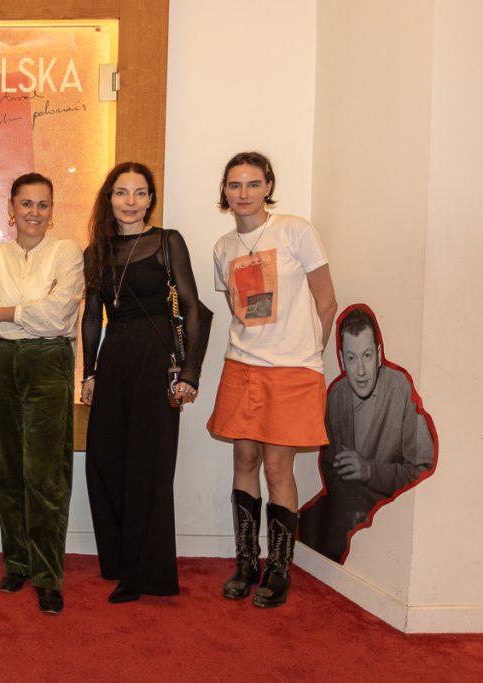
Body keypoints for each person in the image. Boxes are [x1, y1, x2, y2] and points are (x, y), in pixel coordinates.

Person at [207, 151, 337, 608]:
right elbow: (239, 310)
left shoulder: (296, 231)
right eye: (235, 185)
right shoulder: (223, 246)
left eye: (253, 183)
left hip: (291, 369)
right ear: (224, 191)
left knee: (279, 466)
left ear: (268, 187)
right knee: (244, 459)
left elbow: (326, 302)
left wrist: (307, 355)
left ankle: (279, 569)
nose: (243, 193)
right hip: (241, 365)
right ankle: (247, 562)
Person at [80, 162, 211, 603]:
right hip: (114, 360)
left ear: (151, 199)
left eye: (140, 193)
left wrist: (189, 374)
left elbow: (192, 308)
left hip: (155, 362)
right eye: (122, 192)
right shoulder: (95, 252)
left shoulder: (167, 242)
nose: (131, 201)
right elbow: (91, 317)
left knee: (147, 467)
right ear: (109, 198)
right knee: (105, 462)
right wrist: (89, 373)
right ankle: (118, 561)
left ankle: (144, 573)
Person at [0, 173, 84, 615]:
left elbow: (58, 315)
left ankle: (47, 574)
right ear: (11, 209)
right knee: (4, 470)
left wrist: (4, 312)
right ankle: (17, 562)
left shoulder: (67, 251)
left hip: (48, 360)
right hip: (0, 361)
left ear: (52, 211)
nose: (34, 212)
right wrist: (10, 316)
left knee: (45, 473)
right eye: (26, 204)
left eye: (42, 204)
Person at [299, 306, 434, 562]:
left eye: (367, 355)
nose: (361, 371)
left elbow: (423, 471)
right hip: (345, 509)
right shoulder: (336, 395)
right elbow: (329, 465)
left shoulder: (400, 389)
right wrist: (345, 496)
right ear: (342, 359)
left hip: (388, 513)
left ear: (379, 355)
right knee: (306, 525)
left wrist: (369, 470)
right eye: (352, 358)